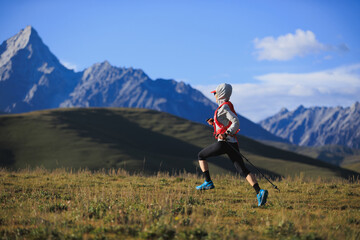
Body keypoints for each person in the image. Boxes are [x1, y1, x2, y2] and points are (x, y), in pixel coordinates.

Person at [196, 83, 268, 206]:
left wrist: (227, 133)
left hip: (224, 143)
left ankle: (208, 182)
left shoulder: (224, 108)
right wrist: (214, 123)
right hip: (232, 144)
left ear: (221, 94)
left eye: (215, 93)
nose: (214, 95)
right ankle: (259, 191)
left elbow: (235, 122)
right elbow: (226, 123)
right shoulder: (224, 107)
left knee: (201, 155)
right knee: (242, 169)